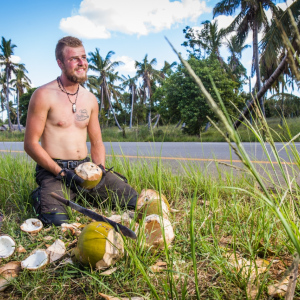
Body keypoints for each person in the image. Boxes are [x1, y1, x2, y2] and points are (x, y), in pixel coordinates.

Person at [24, 36, 138, 226]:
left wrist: (99, 169)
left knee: (133, 202)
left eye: (84, 57)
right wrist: (61, 173)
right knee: (57, 221)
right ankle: (41, 195)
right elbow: (30, 144)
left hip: (85, 169)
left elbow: (97, 142)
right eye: (74, 59)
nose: (82, 63)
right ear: (60, 63)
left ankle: (83, 193)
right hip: (54, 170)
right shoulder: (43, 95)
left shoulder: (90, 98)